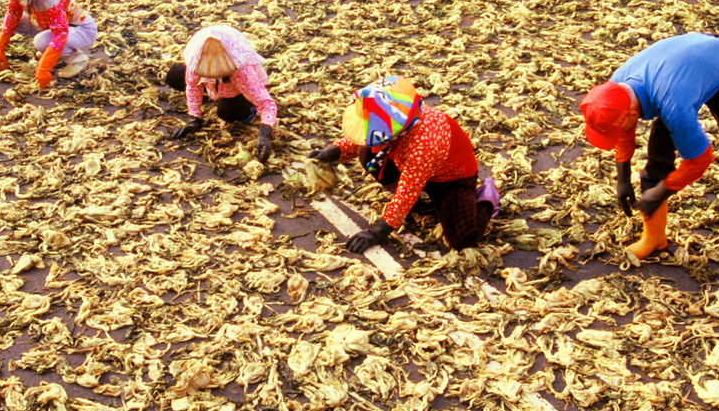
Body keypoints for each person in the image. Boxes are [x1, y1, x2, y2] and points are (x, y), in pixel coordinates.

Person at [580, 32, 719, 270]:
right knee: (656, 165)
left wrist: (659, 193)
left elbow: (700, 160)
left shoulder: (673, 106)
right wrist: (623, 178)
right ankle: (654, 236)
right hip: (681, 75)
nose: (616, 135)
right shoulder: (615, 90)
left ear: (634, 114)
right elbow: (623, 129)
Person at [308, 76, 500, 253]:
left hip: (451, 179)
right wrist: (332, 152)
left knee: (463, 237)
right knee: (367, 151)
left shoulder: (422, 145)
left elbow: (407, 192)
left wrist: (377, 232)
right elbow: (363, 137)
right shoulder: (399, 119)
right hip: (417, 169)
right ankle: (414, 205)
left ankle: (487, 196)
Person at [166, 25, 277, 162]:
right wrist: (194, 118)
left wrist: (264, 135)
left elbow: (266, 104)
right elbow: (193, 86)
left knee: (226, 112)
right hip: (214, 86)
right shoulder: (196, 64)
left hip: (238, 89)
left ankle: (249, 110)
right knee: (173, 76)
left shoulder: (241, 73)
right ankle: (214, 93)